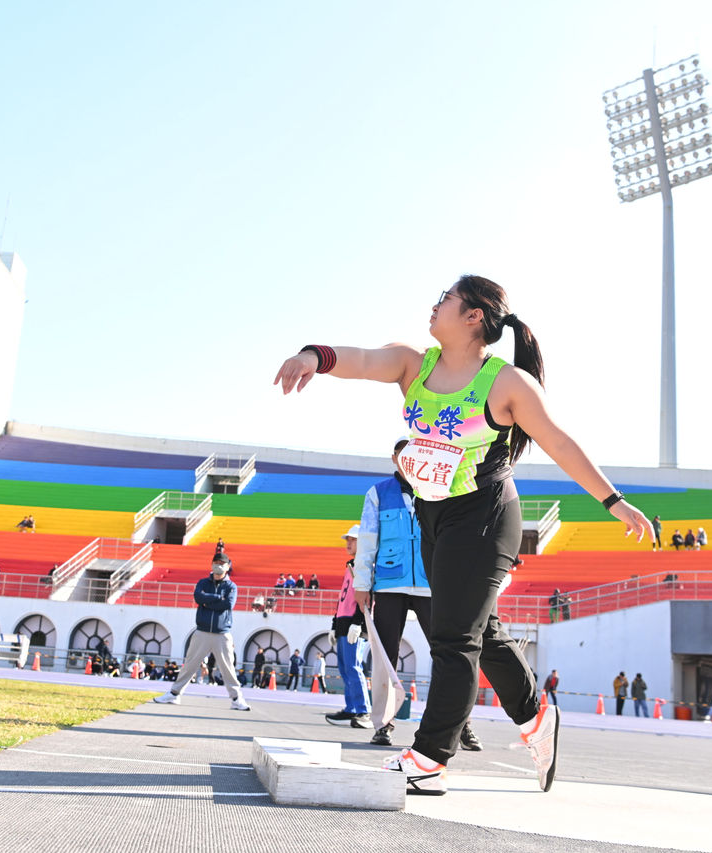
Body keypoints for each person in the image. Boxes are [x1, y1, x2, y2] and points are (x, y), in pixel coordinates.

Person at [274, 274, 651, 795]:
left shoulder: (506, 383)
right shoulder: (413, 364)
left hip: (486, 516)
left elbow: (559, 442)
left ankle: (430, 758)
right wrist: (313, 357)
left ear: (474, 316)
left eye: (445, 300)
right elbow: (359, 359)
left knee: (452, 637)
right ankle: (535, 716)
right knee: (481, 631)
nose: (434, 306)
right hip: (434, 515)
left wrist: (613, 501)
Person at [353, 438, 481, 750]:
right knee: (385, 657)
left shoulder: (440, 488)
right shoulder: (378, 493)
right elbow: (368, 538)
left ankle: (460, 724)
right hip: (388, 584)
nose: (406, 460)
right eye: (401, 455)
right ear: (394, 458)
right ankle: (383, 724)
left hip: (432, 584)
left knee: (450, 653)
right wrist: (361, 583)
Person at [153, 554, 250, 710]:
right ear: (211, 564)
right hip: (202, 631)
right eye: (216, 562)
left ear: (227, 566)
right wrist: (218, 598)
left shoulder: (231, 586)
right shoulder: (203, 582)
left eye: (222, 563)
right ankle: (174, 693)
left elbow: (228, 604)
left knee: (228, 668)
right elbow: (198, 597)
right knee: (189, 664)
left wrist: (207, 602)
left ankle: (237, 699)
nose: (218, 565)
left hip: (222, 633)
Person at [325, 525, 371, 729]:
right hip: (344, 623)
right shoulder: (350, 565)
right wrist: (334, 624)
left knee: (354, 666)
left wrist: (358, 622)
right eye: (347, 540)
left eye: (353, 539)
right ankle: (352, 708)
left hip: (354, 624)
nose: (348, 543)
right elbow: (343, 598)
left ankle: (363, 711)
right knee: (345, 668)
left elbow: (367, 596)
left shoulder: (365, 565)